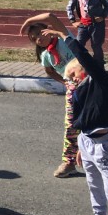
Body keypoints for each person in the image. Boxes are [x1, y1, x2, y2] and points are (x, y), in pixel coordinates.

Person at [39, 27, 108, 215]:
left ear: (83, 69)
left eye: (72, 75)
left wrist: (63, 35)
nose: (71, 80)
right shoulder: (79, 92)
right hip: (86, 141)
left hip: (104, 144)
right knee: (93, 183)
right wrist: (80, 147)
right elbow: (81, 120)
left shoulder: (103, 82)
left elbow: (84, 57)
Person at [19, 12, 80, 178]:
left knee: (95, 124)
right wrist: (64, 82)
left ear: (48, 29)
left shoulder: (65, 38)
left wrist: (28, 21)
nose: (38, 38)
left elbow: (50, 16)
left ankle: (99, 160)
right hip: (73, 88)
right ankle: (69, 162)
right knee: (71, 126)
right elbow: (49, 71)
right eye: (34, 38)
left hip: (90, 83)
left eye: (40, 33)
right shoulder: (45, 56)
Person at [65, 0, 108, 66]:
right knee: (78, 44)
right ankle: (81, 64)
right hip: (83, 25)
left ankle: (99, 65)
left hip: (96, 25)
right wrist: (73, 21)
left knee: (96, 45)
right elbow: (69, 7)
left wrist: (103, 16)